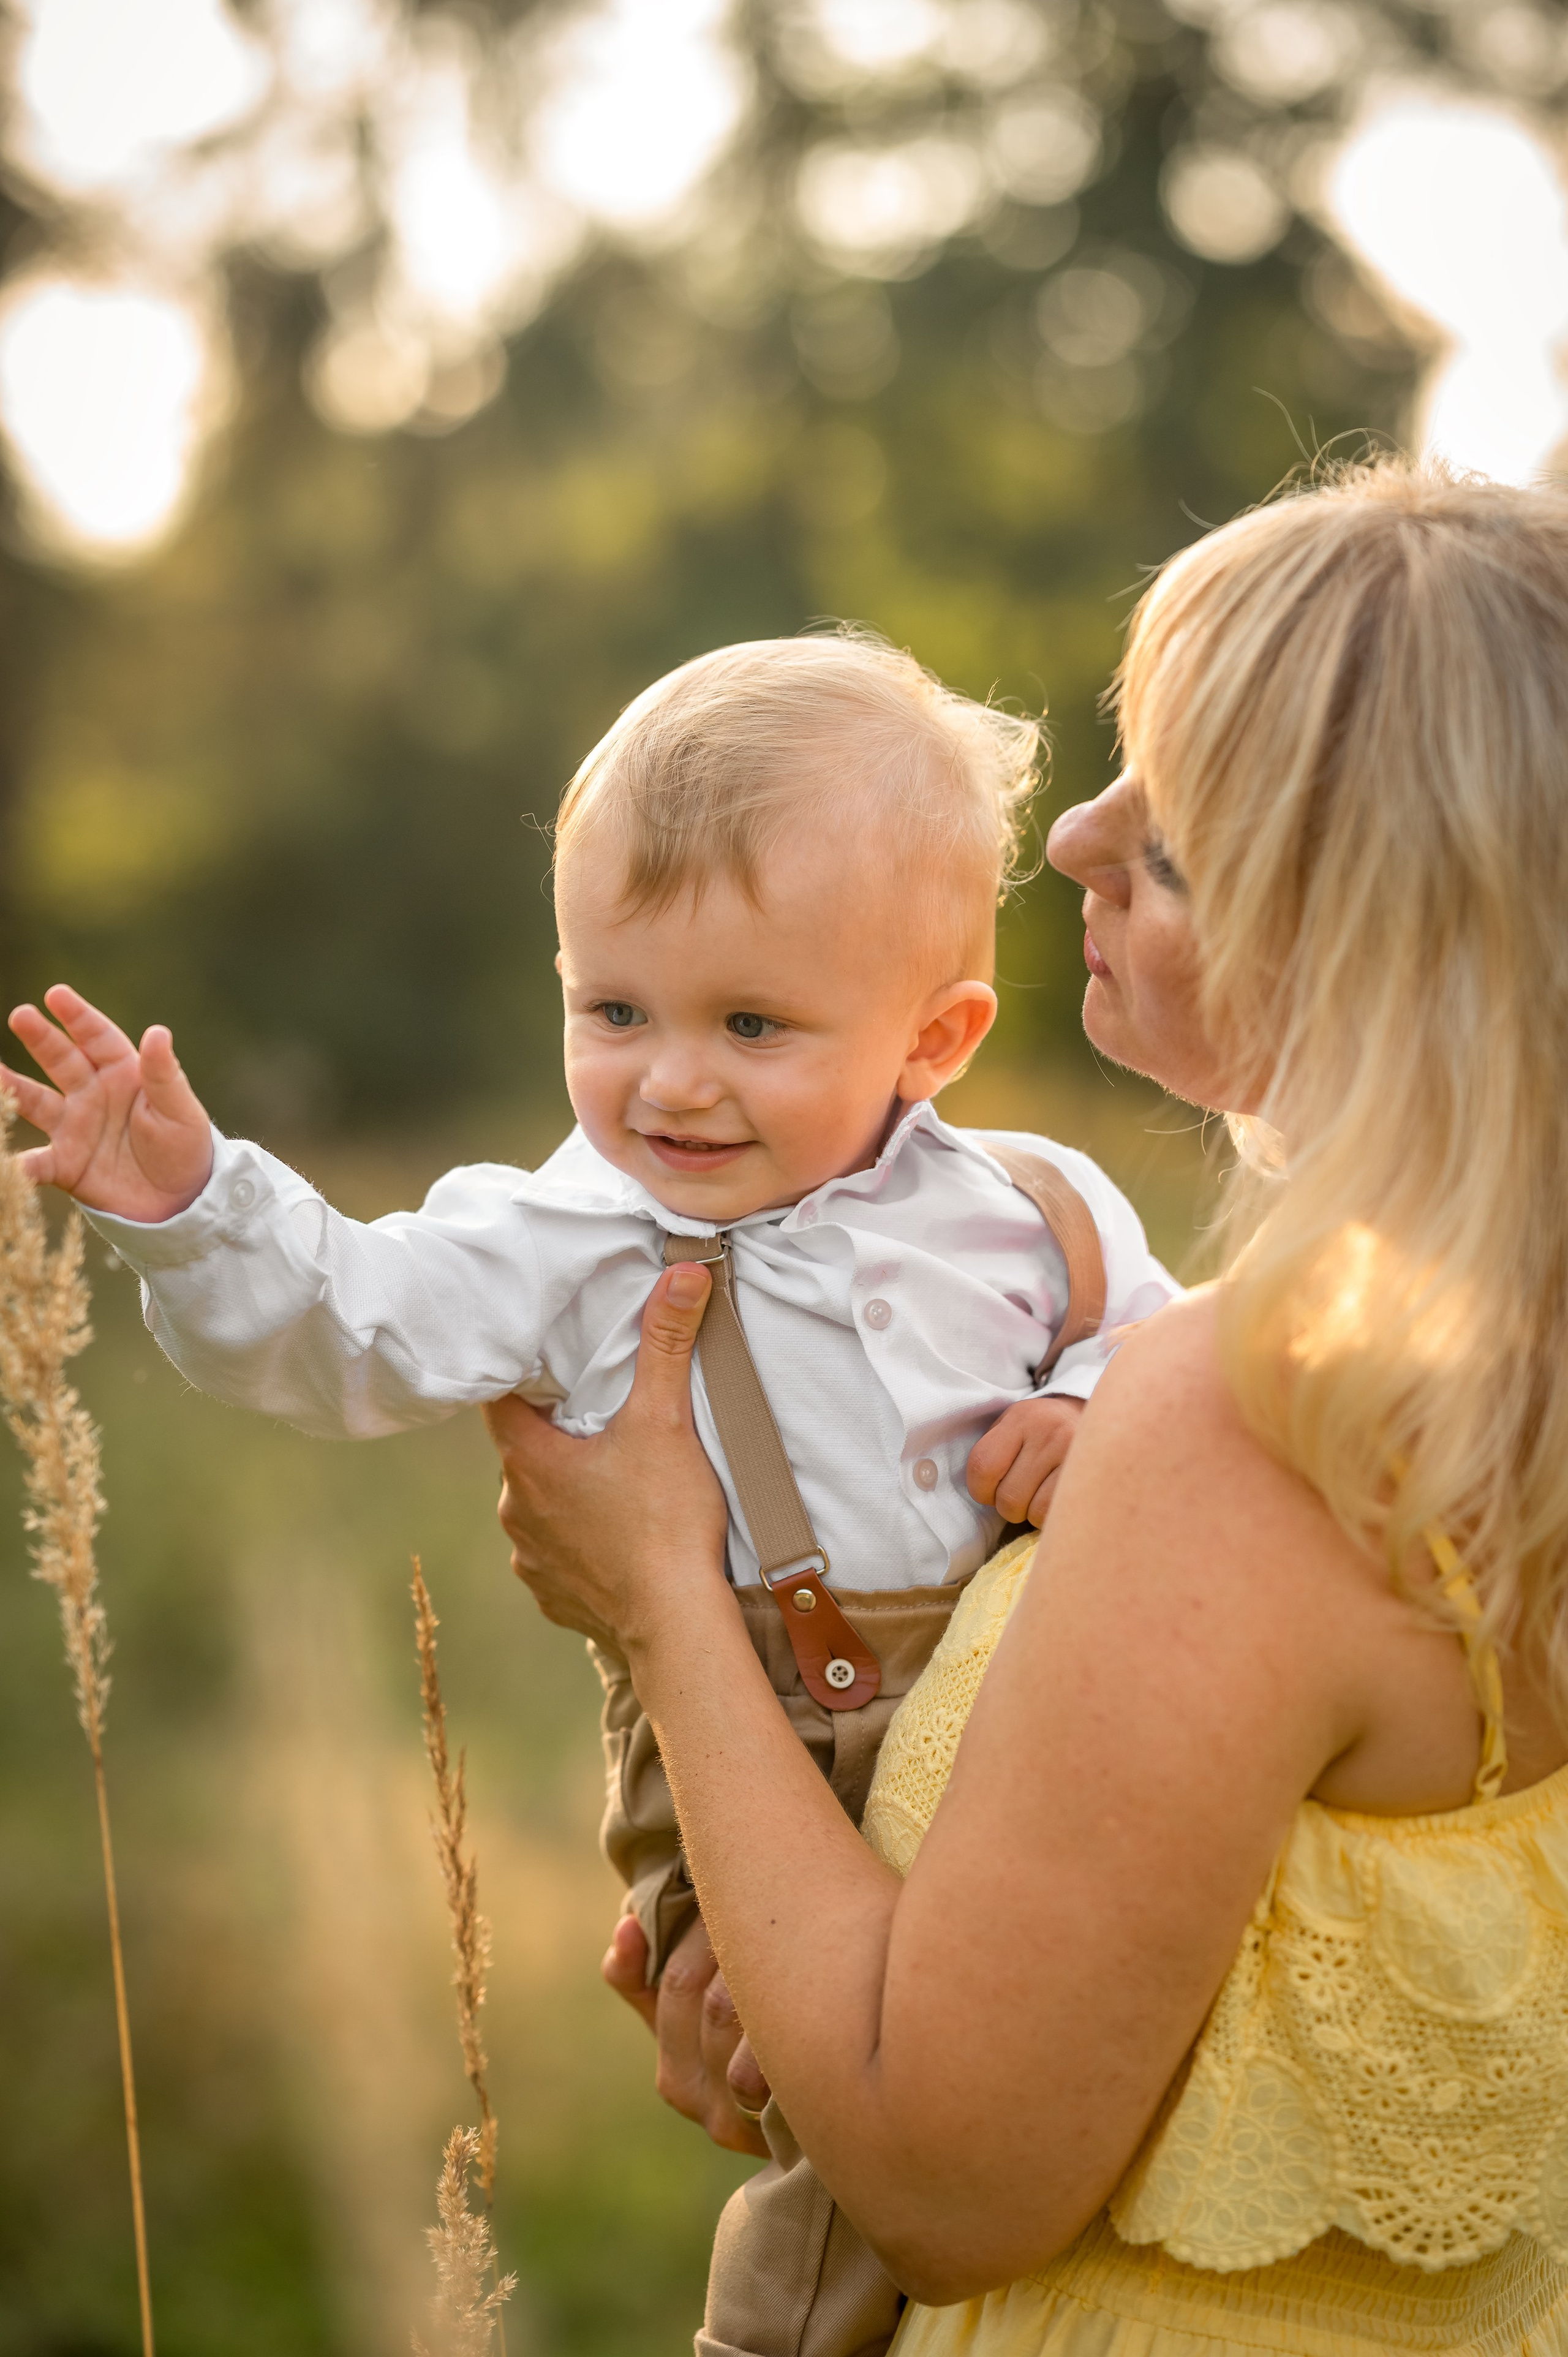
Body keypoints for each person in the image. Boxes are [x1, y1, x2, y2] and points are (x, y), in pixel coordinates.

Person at [486, 461, 1568, 2357]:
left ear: (1356, 937)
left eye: (1167, 839)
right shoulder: (1496, 1366)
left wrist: (661, 1594)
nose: (1071, 829)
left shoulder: (1255, 1422)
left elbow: (947, 2181)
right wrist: (780, 1945)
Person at [1, 630, 1178, 2357]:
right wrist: (193, 1202)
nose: (671, 1080)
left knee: (1076, 2079)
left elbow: (1150, 1345)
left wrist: (1083, 1403)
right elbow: (350, 1326)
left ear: (932, 1038)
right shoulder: (563, 1234)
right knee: (834, 2137)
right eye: (613, 1010)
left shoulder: (1033, 1205)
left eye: (752, 1024)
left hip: (1010, 1716)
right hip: (759, 1742)